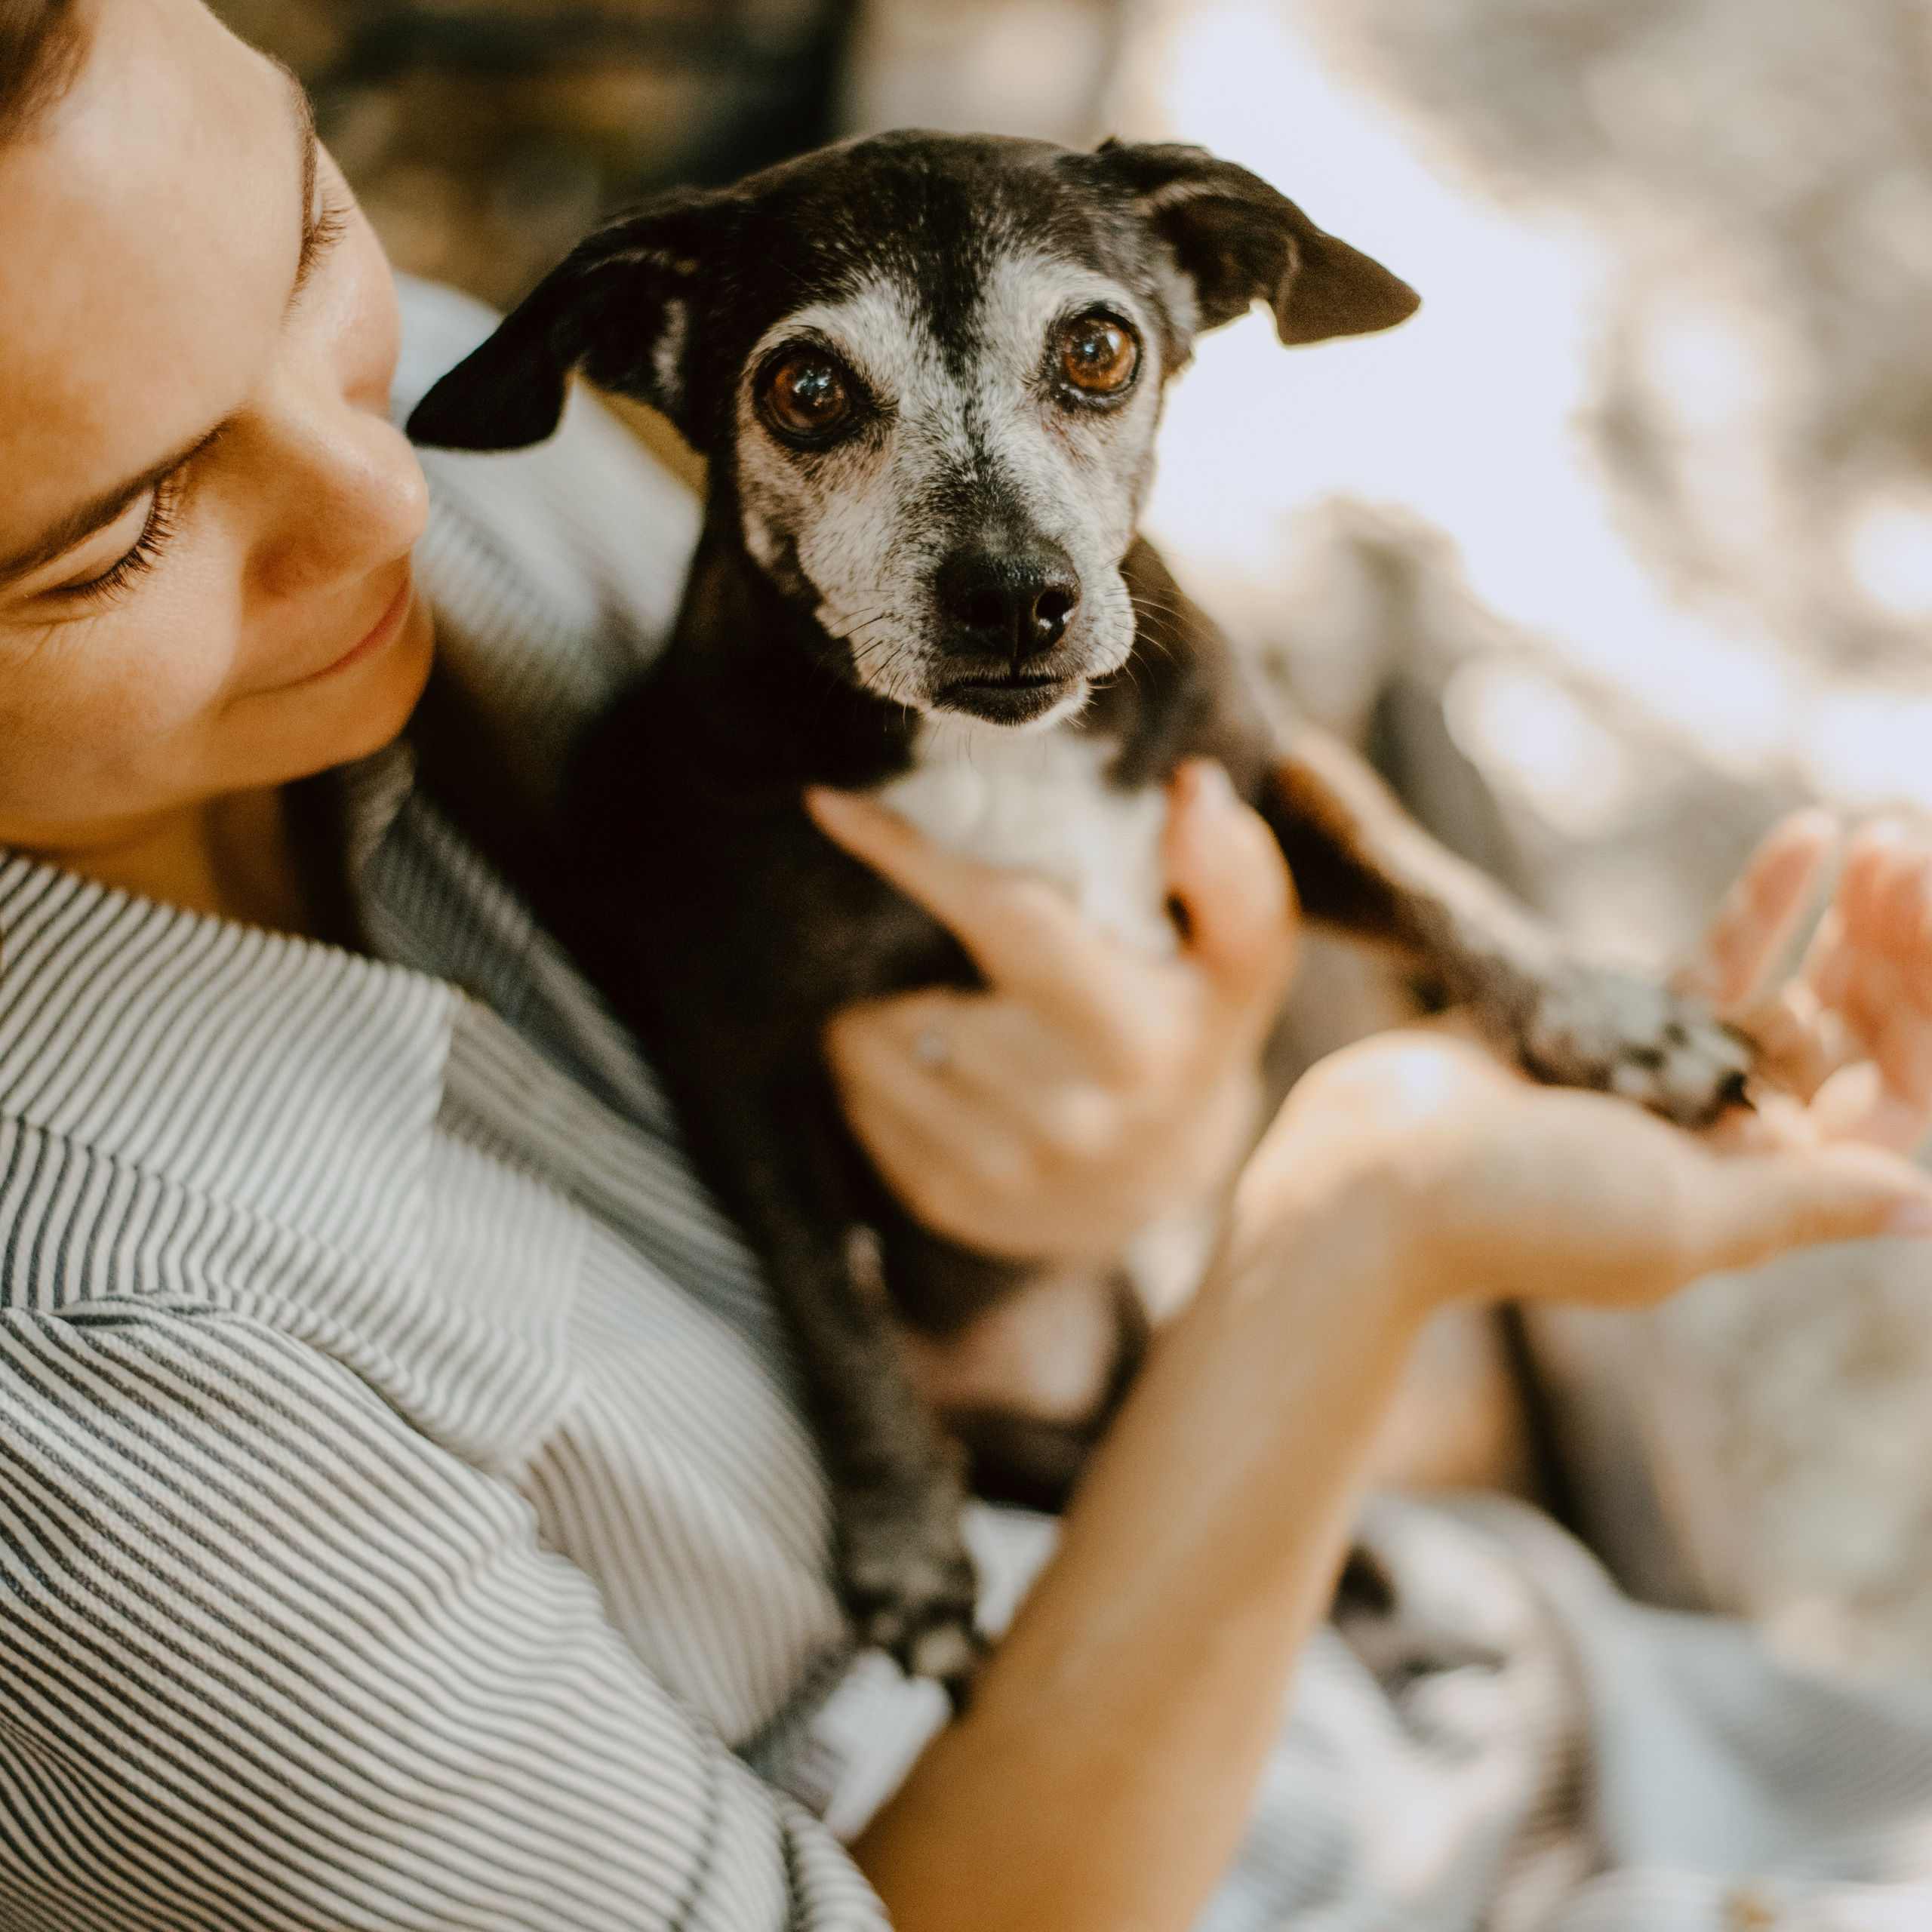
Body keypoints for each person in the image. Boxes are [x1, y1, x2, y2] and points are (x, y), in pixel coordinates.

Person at [5, 1, 1932, 1927]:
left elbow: (1218, 828)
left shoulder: (435, 416)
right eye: (109, 538)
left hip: (1457, 1668)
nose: (395, 494)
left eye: (306, 243)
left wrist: (1133, 1144)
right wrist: (1364, 1228)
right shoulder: (100, 1450)